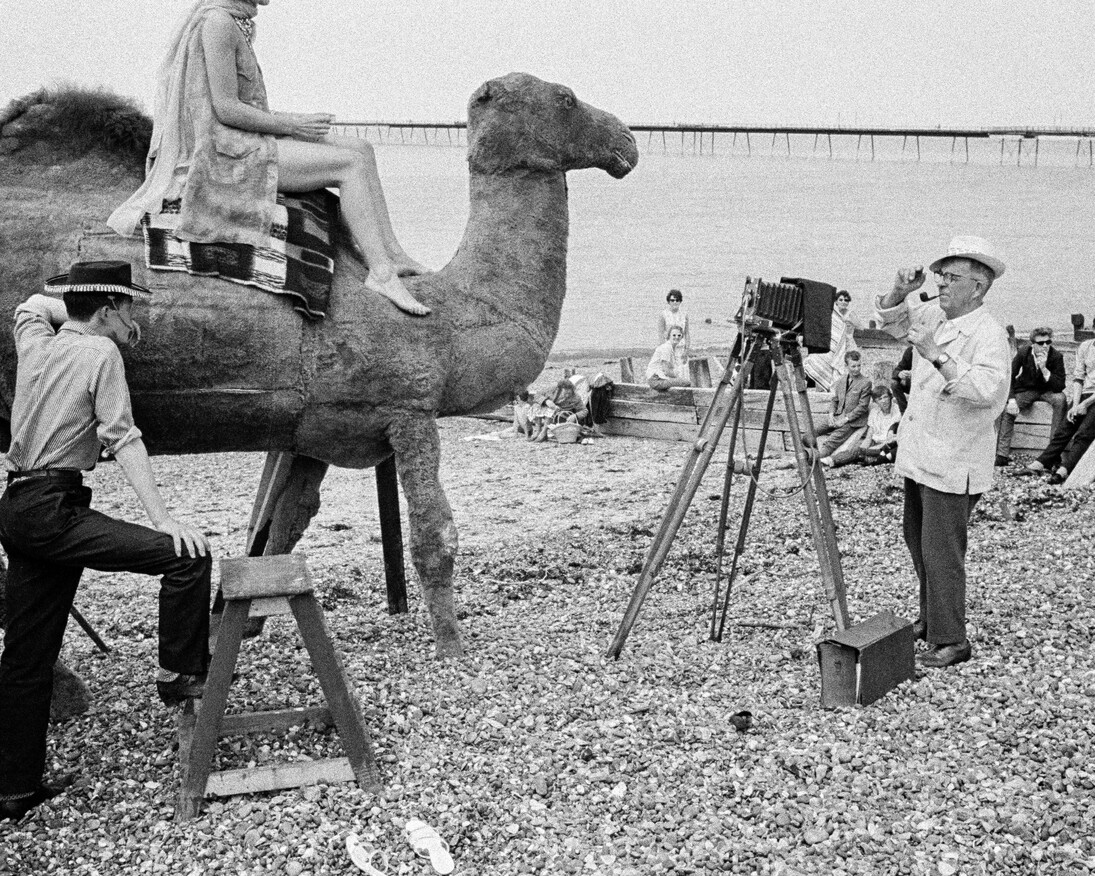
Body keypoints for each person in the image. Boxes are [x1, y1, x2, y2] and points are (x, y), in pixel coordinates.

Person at [0, 261, 213, 822]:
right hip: (54, 511)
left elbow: (30, 305)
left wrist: (66, 300)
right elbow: (123, 437)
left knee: (26, 658)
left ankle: (13, 787)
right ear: (108, 310)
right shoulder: (101, 354)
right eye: (130, 309)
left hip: (18, 507)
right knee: (185, 558)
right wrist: (164, 518)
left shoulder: (36, 341)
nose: (134, 319)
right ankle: (178, 673)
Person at [107, 0, 430, 316]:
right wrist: (291, 125)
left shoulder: (235, 19)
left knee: (361, 148)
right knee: (350, 164)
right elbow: (226, 108)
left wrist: (293, 122)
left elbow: (242, 105)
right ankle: (381, 273)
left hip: (244, 133)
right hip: (225, 150)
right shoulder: (218, 22)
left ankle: (395, 253)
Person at [875, 235, 1010, 669]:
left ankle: (952, 639)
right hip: (921, 455)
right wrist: (899, 290)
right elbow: (891, 323)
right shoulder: (935, 312)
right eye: (941, 275)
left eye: (952, 278)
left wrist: (936, 356)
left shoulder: (988, 334)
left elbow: (987, 391)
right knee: (916, 541)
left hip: (955, 461)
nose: (943, 284)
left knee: (942, 551)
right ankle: (931, 619)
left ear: (978, 287)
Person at [1020, 334, 1095, 483]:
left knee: (1084, 433)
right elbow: (1079, 378)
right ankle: (1041, 463)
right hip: (1085, 394)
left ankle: (1064, 470)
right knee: (1065, 427)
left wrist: (1084, 405)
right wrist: (1075, 406)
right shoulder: (1086, 347)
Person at [995, 327, 1067, 466]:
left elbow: (1060, 386)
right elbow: (1009, 375)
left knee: (1061, 399)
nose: (1045, 346)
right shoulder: (1024, 352)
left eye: (1048, 342)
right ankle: (1002, 454)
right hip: (1027, 389)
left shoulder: (1056, 356)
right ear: (1033, 343)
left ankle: (1052, 454)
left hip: (1048, 390)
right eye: (1041, 343)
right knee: (1008, 410)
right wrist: (1011, 399)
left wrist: (1044, 369)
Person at [813, 350, 872, 461]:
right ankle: (804, 454)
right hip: (838, 416)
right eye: (853, 366)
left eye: (859, 365)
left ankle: (813, 459)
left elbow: (862, 407)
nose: (857, 369)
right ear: (846, 366)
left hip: (853, 421)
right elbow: (835, 400)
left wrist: (844, 420)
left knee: (831, 441)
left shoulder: (866, 382)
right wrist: (831, 415)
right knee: (813, 431)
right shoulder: (841, 381)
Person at [825, 385, 901, 467]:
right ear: (875, 402)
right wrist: (864, 449)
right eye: (879, 399)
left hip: (887, 447)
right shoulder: (874, 412)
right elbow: (869, 436)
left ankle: (832, 460)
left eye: (885, 397)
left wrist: (864, 451)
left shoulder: (898, 411)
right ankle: (834, 459)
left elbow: (890, 440)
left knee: (858, 452)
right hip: (874, 442)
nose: (883, 401)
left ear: (890, 397)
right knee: (856, 449)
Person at [803, 289, 862, 391]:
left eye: (846, 300)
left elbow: (860, 327)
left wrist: (850, 322)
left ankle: (842, 391)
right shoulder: (832, 314)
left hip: (847, 344)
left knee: (845, 367)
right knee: (822, 362)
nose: (844, 302)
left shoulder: (851, 314)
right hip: (833, 343)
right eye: (841, 299)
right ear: (836, 302)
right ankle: (822, 388)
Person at [646, 326, 690, 391]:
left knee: (681, 381)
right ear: (669, 336)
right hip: (656, 380)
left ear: (682, 337)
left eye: (679, 335)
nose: (677, 337)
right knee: (687, 382)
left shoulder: (671, 348)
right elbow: (666, 370)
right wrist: (678, 377)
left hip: (658, 378)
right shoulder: (666, 348)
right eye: (674, 335)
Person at [656, 289, 690, 355]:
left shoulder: (684, 315)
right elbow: (661, 334)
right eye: (672, 300)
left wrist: (687, 349)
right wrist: (664, 349)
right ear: (668, 302)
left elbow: (687, 333)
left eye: (677, 300)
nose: (675, 302)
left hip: (681, 348)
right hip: (668, 348)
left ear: (680, 301)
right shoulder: (663, 315)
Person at [890, 345, 914, 414]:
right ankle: (904, 411)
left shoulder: (929, 350)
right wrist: (899, 373)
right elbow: (896, 371)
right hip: (912, 383)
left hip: (928, 385)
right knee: (894, 383)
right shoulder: (911, 351)